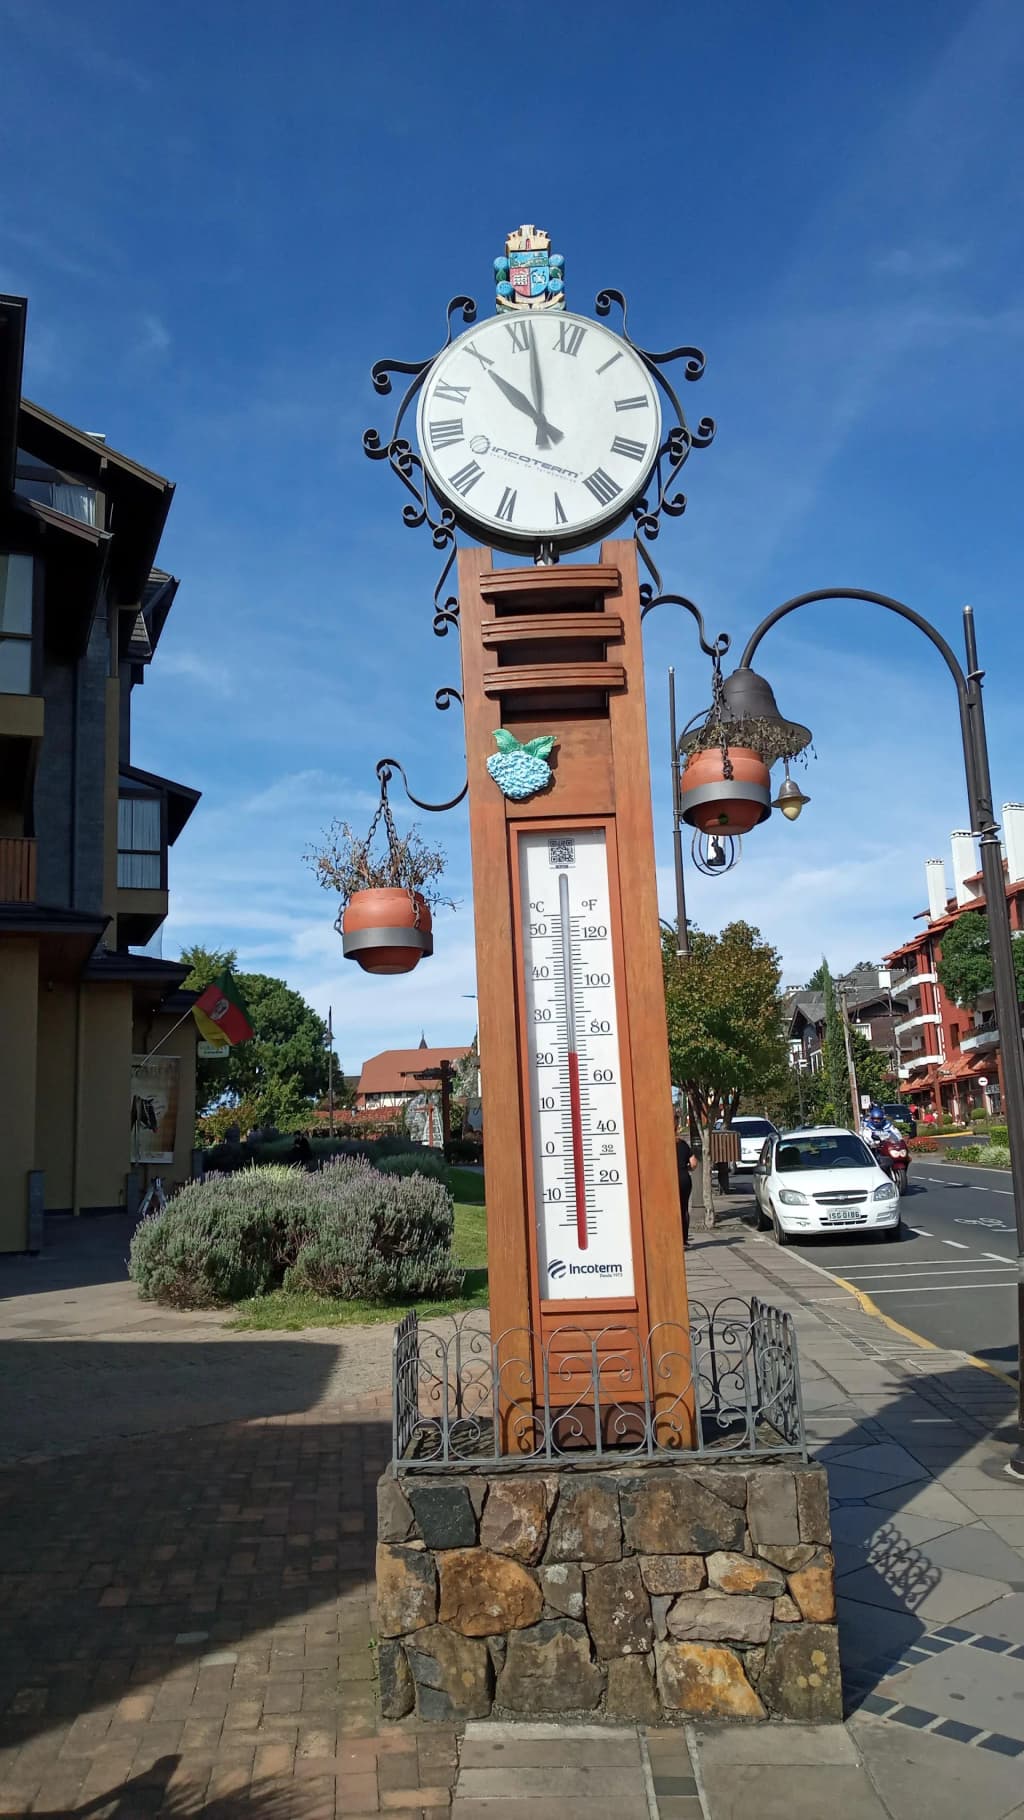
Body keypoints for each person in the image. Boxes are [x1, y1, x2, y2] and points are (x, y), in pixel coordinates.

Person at [674, 1111, 698, 1243]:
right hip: (684, 1178)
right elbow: (694, 1163)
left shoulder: (662, 1144)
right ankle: (684, 1239)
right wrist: (686, 1168)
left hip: (670, 1179)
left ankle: (674, 1237)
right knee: (684, 1208)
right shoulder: (683, 1144)